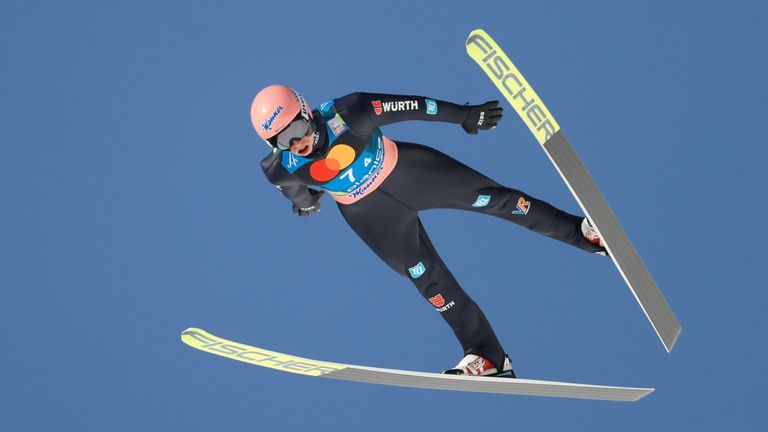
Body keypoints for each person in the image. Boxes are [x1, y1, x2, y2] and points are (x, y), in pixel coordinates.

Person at [251, 85, 606, 377]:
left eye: (296, 131)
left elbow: (418, 107)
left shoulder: (351, 111)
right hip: (372, 216)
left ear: (306, 111)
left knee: (497, 200)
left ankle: (583, 233)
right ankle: (488, 357)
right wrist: (307, 204)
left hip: (412, 173)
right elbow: (295, 190)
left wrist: (466, 115)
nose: (296, 144)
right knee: (429, 280)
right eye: (282, 141)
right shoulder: (279, 166)